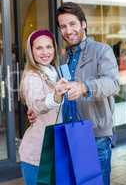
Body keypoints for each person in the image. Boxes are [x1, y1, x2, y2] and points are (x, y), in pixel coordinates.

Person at [27, 2, 120, 185]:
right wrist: (39, 109)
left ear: (83, 24)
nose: (68, 31)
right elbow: (59, 91)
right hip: (69, 134)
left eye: (72, 24)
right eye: (63, 26)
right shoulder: (64, 57)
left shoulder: (102, 51)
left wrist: (84, 87)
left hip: (96, 136)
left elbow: (113, 84)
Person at [19, 29, 67, 185]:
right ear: (31, 51)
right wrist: (55, 96)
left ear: (54, 48)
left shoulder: (57, 72)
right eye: (39, 48)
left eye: (49, 47)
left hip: (56, 147)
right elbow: (37, 105)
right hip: (38, 153)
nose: (45, 52)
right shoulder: (32, 76)